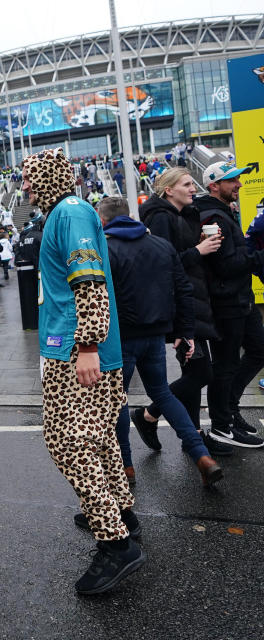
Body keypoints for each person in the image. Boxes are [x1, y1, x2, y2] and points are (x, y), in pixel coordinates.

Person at [22, 147, 144, 596]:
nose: (26, 186)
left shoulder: (69, 212)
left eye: (31, 177)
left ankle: (116, 542)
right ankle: (119, 511)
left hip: (79, 353)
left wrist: (88, 344)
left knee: (68, 443)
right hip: (70, 349)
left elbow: (88, 281)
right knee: (99, 438)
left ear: (50, 177)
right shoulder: (66, 212)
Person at [97, 197, 222, 487]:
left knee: (118, 402)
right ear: (128, 215)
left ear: (103, 221)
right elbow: (183, 290)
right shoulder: (161, 246)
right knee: (163, 393)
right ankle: (202, 456)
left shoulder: (105, 248)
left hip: (121, 339)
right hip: (155, 335)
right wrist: (185, 331)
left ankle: (126, 467)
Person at [136, 168, 230, 456]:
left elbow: (179, 252)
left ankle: (195, 438)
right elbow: (165, 263)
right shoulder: (161, 217)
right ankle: (148, 415)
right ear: (169, 190)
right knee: (201, 373)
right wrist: (198, 250)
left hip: (193, 303)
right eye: (187, 184)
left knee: (195, 371)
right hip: (180, 307)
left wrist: (199, 241)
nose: (193, 188)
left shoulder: (180, 215)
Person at [195, 161, 264, 448]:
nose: (238, 185)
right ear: (215, 186)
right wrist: (259, 256)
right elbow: (224, 265)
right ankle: (222, 424)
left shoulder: (223, 212)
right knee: (225, 364)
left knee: (258, 351)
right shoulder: (213, 218)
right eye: (232, 180)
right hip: (227, 304)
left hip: (241, 299)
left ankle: (230, 410)